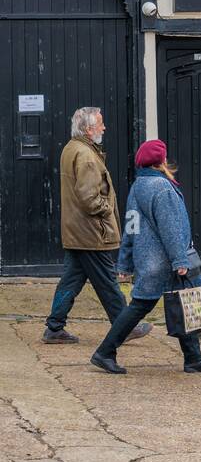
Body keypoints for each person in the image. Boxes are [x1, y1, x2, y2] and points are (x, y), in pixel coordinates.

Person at [91, 139, 201, 376]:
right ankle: (105, 352)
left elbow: (131, 226)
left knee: (185, 301)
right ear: (161, 162)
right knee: (146, 305)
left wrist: (126, 262)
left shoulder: (138, 186)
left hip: (148, 261)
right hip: (167, 260)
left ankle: (194, 357)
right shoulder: (162, 188)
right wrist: (180, 260)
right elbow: (171, 228)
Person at [44, 108, 152, 345]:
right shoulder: (86, 155)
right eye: (101, 124)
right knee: (108, 282)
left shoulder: (71, 148)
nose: (104, 128)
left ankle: (54, 327)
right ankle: (125, 326)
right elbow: (89, 197)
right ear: (88, 128)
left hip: (76, 231)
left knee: (71, 280)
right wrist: (107, 208)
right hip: (91, 231)